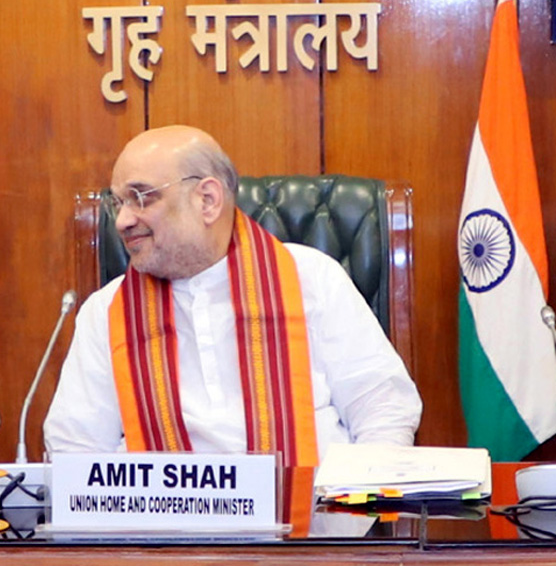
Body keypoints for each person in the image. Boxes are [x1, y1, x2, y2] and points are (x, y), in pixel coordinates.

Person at [43, 125, 421, 465]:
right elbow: (75, 452)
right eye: (118, 202)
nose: (123, 220)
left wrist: (351, 514)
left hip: (312, 534)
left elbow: (383, 410)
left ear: (207, 200)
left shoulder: (313, 279)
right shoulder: (107, 311)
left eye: (141, 198)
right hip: (160, 538)